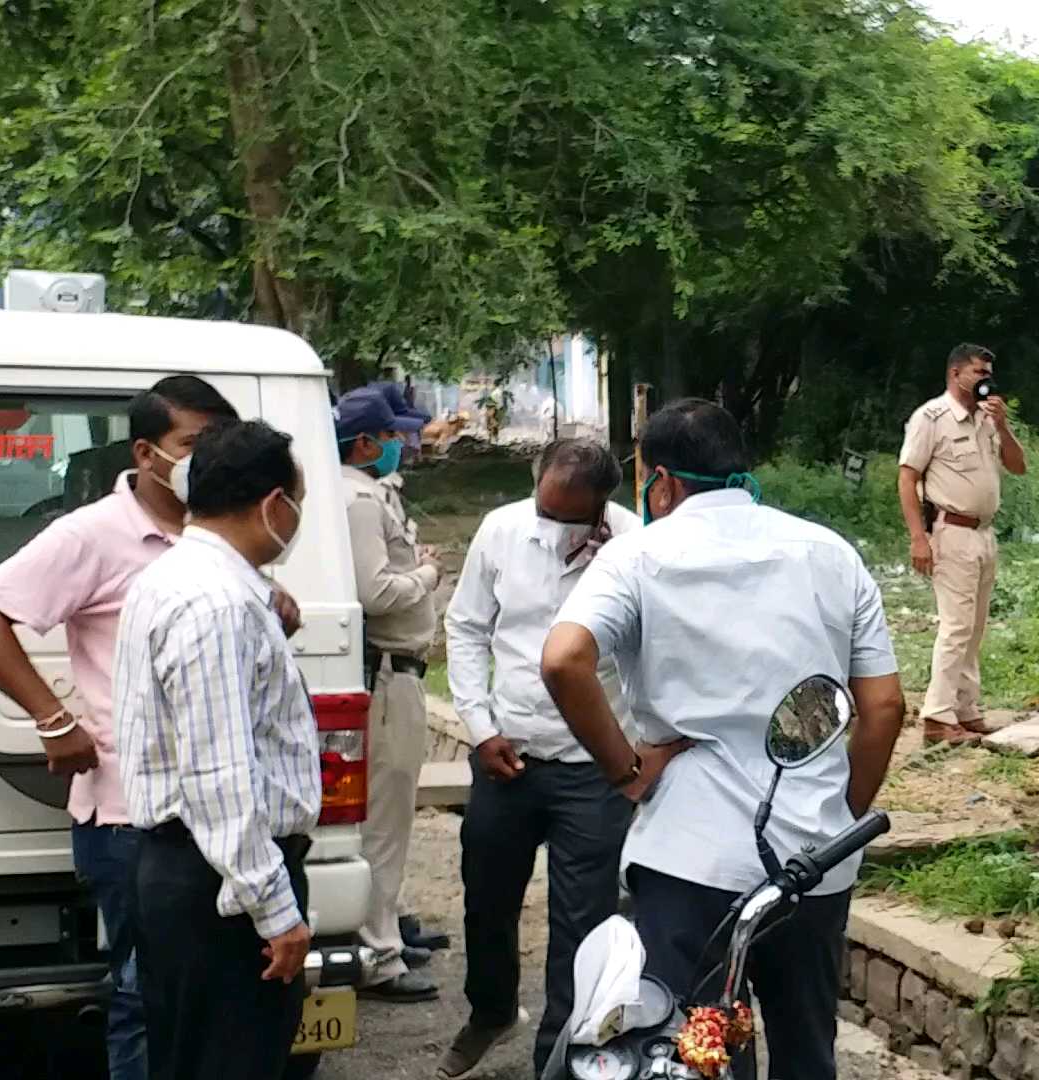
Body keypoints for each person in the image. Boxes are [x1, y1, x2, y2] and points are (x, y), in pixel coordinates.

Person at [543, 399, 906, 1080]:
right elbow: (883, 707)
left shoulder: (636, 557)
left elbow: (564, 659)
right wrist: (844, 812)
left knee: (689, 1054)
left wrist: (624, 771)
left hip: (688, 862)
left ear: (661, 482)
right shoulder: (830, 553)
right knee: (805, 1052)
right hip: (814, 863)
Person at [0, 377, 245, 1080]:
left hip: (223, 813)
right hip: (134, 822)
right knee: (145, 999)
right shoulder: (92, 534)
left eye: (222, 443)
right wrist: (53, 718)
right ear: (148, 453)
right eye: (194, 445)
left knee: (217, 1000)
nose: (209, 459)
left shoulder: (225, 529)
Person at [113, 420, 319, 1080]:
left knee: (191, 1057)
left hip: (195, 872)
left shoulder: (170, 577)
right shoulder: (215, 603)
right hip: (220, 883)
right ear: (272, 505)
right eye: (298, 502)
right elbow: (218, 774)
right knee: (232, 1060)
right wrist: (276, 910)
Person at [436, 438, 643, 1080]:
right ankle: (492, 1010)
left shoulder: (634, 543)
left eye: (565, 518)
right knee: (487, 898)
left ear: (599, 506)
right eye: (543, 507)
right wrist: (478, 726)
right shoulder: (501, 530)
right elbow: (467, 627)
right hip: (508, 756)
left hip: (594, 769)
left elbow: (651, 649)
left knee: (582, 924)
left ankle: (555, 1056)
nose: (549, 525)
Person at [334, 386, 443, 1002]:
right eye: (394, 435)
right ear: (368, 442)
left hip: (398, 671)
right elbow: (375, 593)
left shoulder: (370, 495)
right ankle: (378, 954)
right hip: (383, 673)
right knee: (383, 817)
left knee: (393, 815)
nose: (404, 443)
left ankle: (384, 925)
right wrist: (427, 574)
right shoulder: (355, 501)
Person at [898, 343, 1027, 746]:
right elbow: (906, 477)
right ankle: (937, 716)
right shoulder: (931, 418)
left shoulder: (987, 420)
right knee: (955, 626)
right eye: (977, 372)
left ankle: (966, 709)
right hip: (950, 530)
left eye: (988, 372)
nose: (984, 379)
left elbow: (1018, 466)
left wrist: (1003, 425)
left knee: (975, 628)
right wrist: (919, 537)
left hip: (984, 532)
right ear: (955, 373)